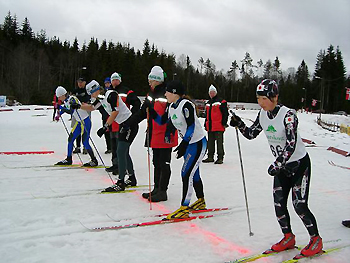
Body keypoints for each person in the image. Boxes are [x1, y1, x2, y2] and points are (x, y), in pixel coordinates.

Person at [229, 79, 323, 258]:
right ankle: (288, 237)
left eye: (264, 98)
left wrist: (278, 163)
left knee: (299, 205)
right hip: (281, 168)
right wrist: (239, 123)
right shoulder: (263, 115)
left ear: (274, 97)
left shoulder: (288, 115)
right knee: (279, 205)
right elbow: (251, 134)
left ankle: (315, 239)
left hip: (298, 166)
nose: (260, 102)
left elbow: (291, 143)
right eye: (258, 98)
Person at [150, 80, 207, 219]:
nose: (165, 94)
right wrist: (151, 110)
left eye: (167, 91)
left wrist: (183, 144)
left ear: (174, 93)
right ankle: (201, 201)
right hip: (188, 144)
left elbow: (191, 126)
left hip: (198, 143)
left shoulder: (186, 105)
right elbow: (164, 122)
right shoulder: (171, 107)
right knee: (194, 174)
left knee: (186, 173)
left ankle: (184, 208)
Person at [125, 66, 178, 202]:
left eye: (151, 79)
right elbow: (142, 112)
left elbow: (172, 115)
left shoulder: (168, 94)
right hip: (154, 133)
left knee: (164, 162)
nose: (149, 82)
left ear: (157, 80)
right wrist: (128, 123)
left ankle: (163, 191)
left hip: (165, 134)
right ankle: (156, 188)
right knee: (156, 162)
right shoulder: (151, 94)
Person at [79, 80, 139, 192]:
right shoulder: (101, 99)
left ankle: (121, 182)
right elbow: (92, 107)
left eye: (91, 93)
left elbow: (115, 112)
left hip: (130, 124)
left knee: (121, 151)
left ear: (95, 90)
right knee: (123, 152)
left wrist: (105, 126)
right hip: (124, 124)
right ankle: (131, 178)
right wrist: (78, 106)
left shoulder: (111, 94)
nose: (91, 96)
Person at [105, 72, 141, 178]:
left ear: (120, 80)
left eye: (117, 79)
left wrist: (132, 118)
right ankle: (115, 164)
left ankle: (124, 169)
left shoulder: (126, 91)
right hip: (113, 123)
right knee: (114, 145)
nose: (115, 81)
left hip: (124, 122)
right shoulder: (109, 92)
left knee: (123, 149)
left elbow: (137, 103)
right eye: (113, 80)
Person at [54, 86, 98, 167]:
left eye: (59, 97)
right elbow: (65, 108)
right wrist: (59, 114)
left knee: (85, 142)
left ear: (63, 94)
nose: (59, 99)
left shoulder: (72, 99)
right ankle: (69, 159)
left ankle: (94, 160)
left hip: (85, 121)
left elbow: (71, 111)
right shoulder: (66, 101)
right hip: (79, 122)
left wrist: (59, 107)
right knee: (70, 139)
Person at [202, 84, 229, 164]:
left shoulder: (221, 101)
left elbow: (225, 113)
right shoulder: (208, 103)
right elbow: (207, 115)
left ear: (216, 92)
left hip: (218, 125)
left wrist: (224, 123)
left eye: (213, 92)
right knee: (210, 142)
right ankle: (210, 156)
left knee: (219, 143)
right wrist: (205, 123)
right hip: (210, 126)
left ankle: (220, 157)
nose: (211, 94)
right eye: (210, 93)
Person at [71, 77, 90, 154]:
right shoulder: (75, 91)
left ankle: (85, 146)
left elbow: (88, 100)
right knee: (76, 129)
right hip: (76, 112)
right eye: (78, 82)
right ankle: (78, 146)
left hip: (85, 111)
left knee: (85, 129)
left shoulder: (87, 91)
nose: (80, 83)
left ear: (85, 83)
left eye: (81, 82)